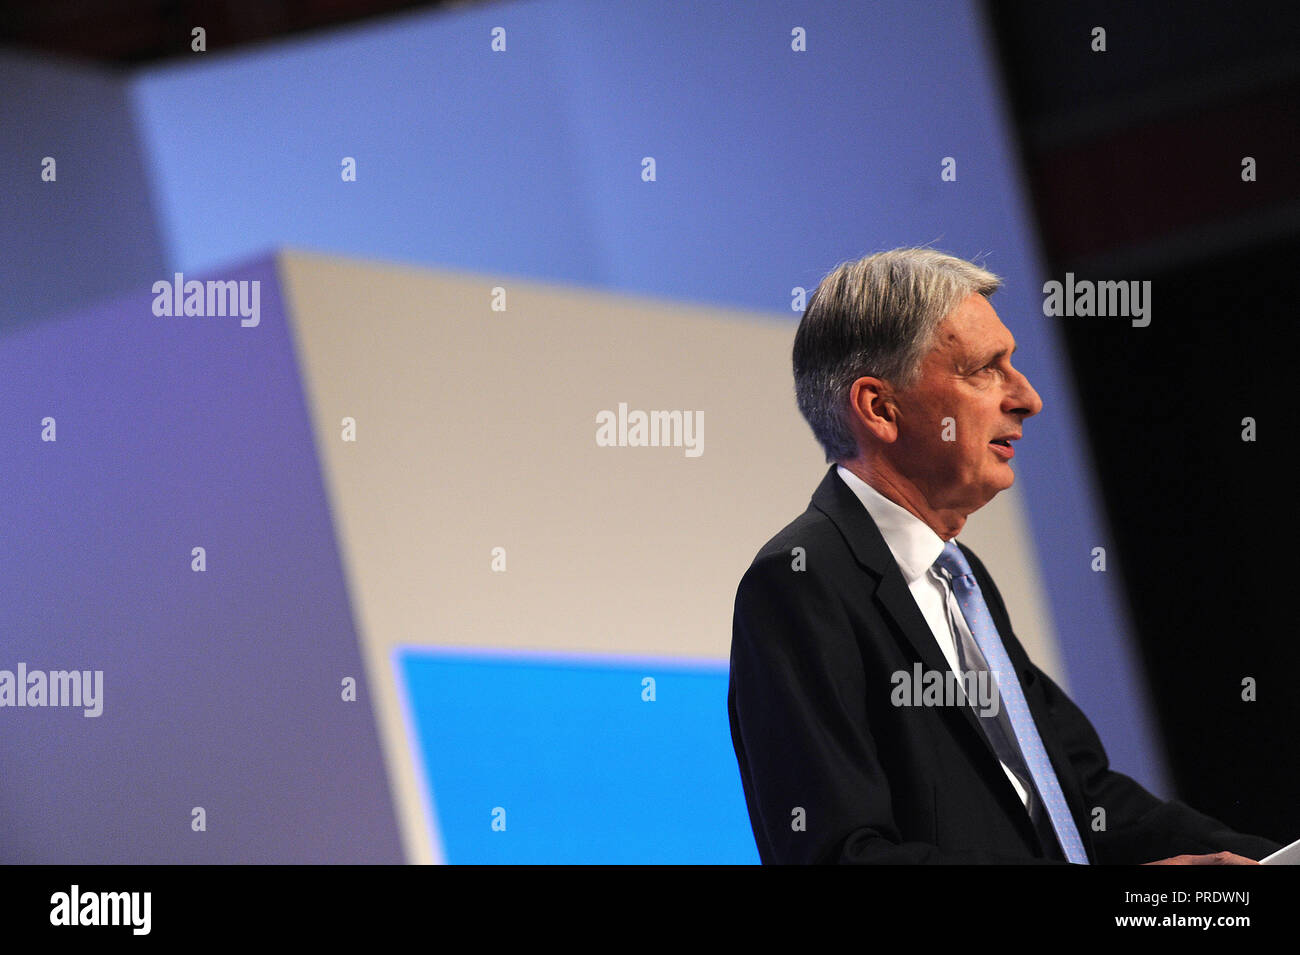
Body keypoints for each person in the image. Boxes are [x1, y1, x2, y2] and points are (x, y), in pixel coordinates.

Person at [727, 247, 1280, 864]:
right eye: (986, 370)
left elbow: (1082, 795)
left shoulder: (961, 579)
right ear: (881, 409)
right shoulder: (802, 581)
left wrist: (1269, 862)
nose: (1028, 398)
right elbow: (843, 855)